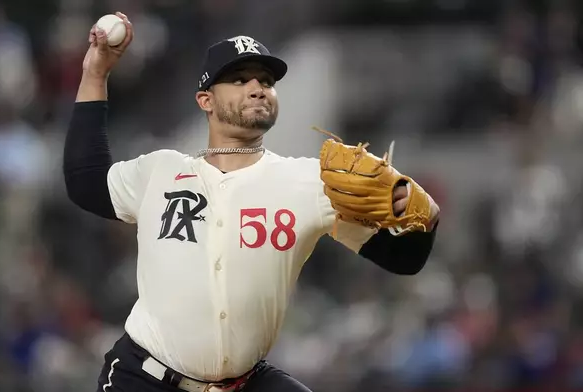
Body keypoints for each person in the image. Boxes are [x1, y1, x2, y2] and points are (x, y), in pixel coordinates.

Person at [63, 12, 440, 392]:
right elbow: (85, 181)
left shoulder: (310, 182)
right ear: (205, 99)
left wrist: (425, 218)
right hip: (146, 378)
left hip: (244, 383)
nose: (258, 88)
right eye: (240, 80)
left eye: (267, 81)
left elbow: (404, 259)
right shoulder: (160, 170)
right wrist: (96, 74)